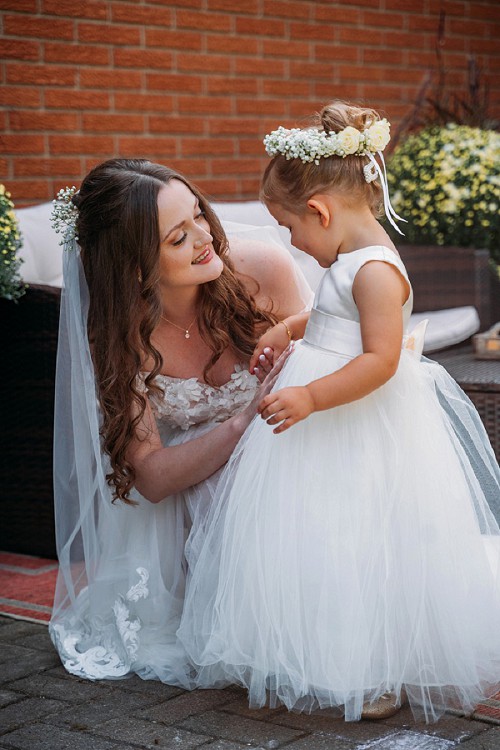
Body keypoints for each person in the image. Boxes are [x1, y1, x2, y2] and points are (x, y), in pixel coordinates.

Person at [178, 101, 500, 722]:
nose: (293, 244)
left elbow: (381, 359)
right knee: (310, 534)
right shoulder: (349, 260)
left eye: (292, 230)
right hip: (323, 420)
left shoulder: (376, 272)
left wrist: (311, 396)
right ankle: (315, 648)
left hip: (359, 422)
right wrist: (289, 329)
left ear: (321, 211)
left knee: (362, 539)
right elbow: (332, 314)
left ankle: (376, 665)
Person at [48, 158, 312, 685]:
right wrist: (239, 427)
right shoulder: (119, 336)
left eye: (198, 214)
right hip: (191, 486)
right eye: (177, 237)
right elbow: (149, 474)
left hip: (293, 451)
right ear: (136, 267)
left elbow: (326, 360)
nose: (204, 237)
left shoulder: (263, 270)